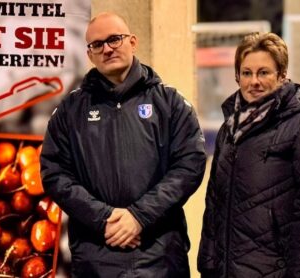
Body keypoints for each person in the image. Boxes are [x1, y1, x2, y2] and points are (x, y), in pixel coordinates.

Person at [40, 12, 207, 277]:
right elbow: (54, 173)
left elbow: (189, 166)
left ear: (133, 42)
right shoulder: (70, 111)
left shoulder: (171, 103)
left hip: (160, 257)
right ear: (90, 54)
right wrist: (104, 219)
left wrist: (139, 217)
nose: (107, 49)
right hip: (95, 257)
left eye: (114, 40)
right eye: (97, 44)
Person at [197, 32, 300, 277]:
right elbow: (214, 203)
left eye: (264, 72)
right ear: (237, 76)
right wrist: (208, 263)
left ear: (282, 75)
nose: (254, 81)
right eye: (247, 73)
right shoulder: (229, 128)